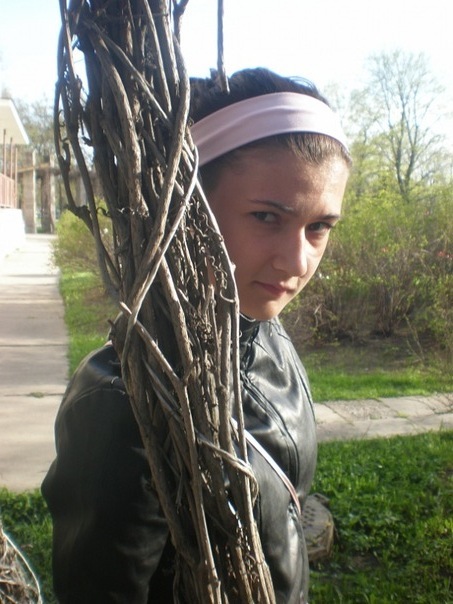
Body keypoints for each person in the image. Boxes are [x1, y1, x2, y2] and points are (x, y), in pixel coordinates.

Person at [42, 67, 351, 603]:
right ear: (190, 208)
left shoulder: (265, 334)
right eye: (266, 217)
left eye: (318, 227)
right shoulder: (125, 404)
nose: (298, 262)